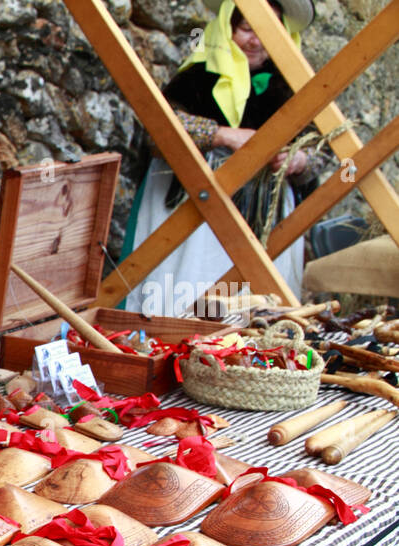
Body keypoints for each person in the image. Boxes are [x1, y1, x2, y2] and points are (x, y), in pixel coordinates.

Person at [124, 0, 322, 316]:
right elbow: (158, 131)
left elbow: (320, 153)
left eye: (267, 32)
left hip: (262, 219)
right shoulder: (196, 78)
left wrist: (297, 160)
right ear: (228, 27)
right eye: (246, 29)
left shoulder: (294, 88)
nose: (256, 41)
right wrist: (222, 135)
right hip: (192, 209)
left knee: (255, 305)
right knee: (183, 298)